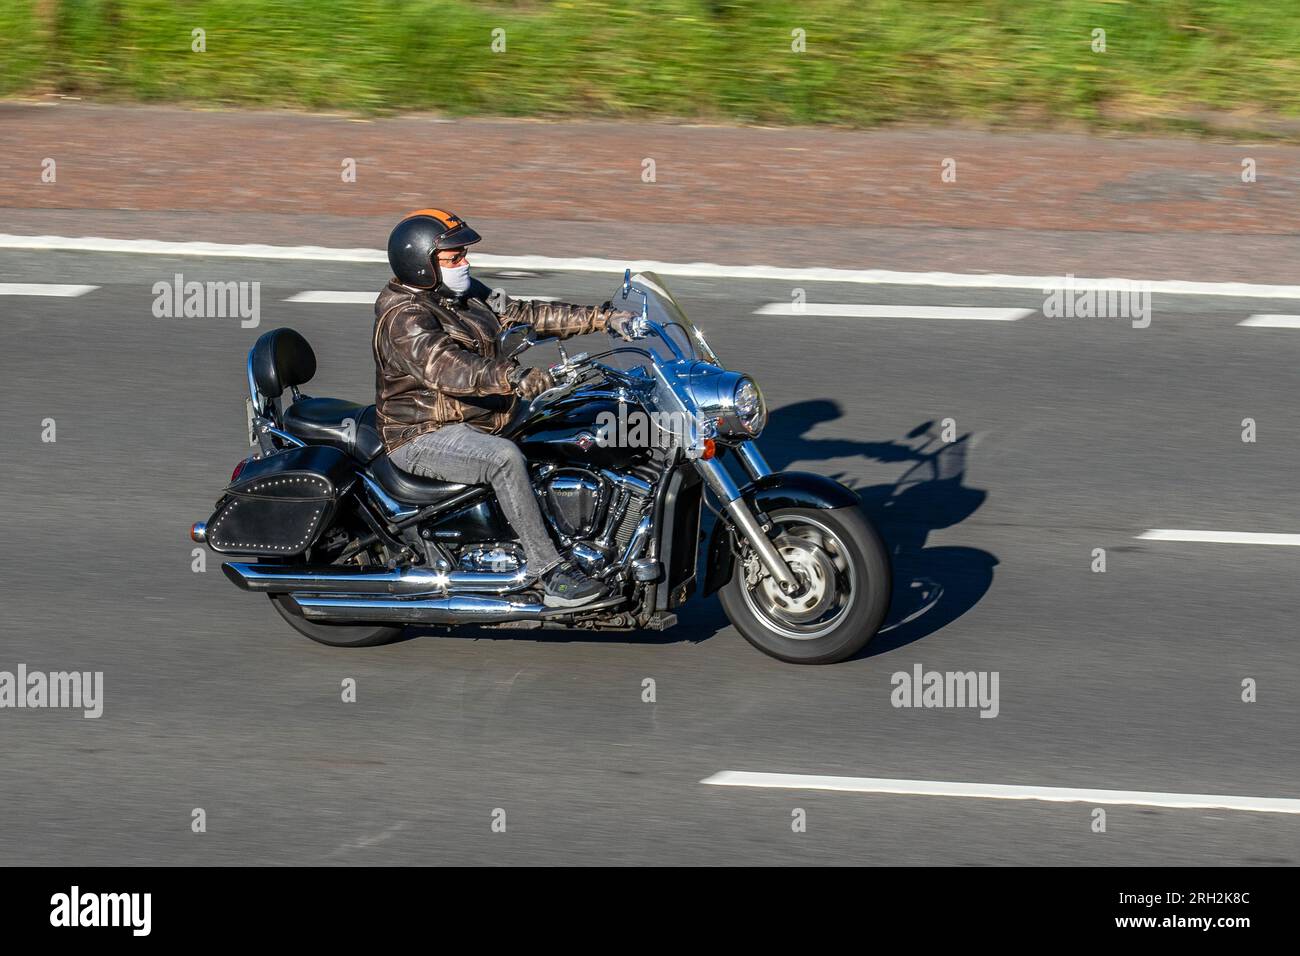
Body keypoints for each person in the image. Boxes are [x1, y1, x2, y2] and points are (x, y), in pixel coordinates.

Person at [373, 208, 637, 607]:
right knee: (503, 459)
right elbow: (448, 368)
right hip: (424, 433)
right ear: (421, 264)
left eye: (464, 255)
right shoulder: (405, 318)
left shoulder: (462, 294)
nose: (465, 263)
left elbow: (525, 314)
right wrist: (513, 376)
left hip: (483, 417)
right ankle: (547, 572)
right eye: (454, 258)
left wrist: (604, 318)